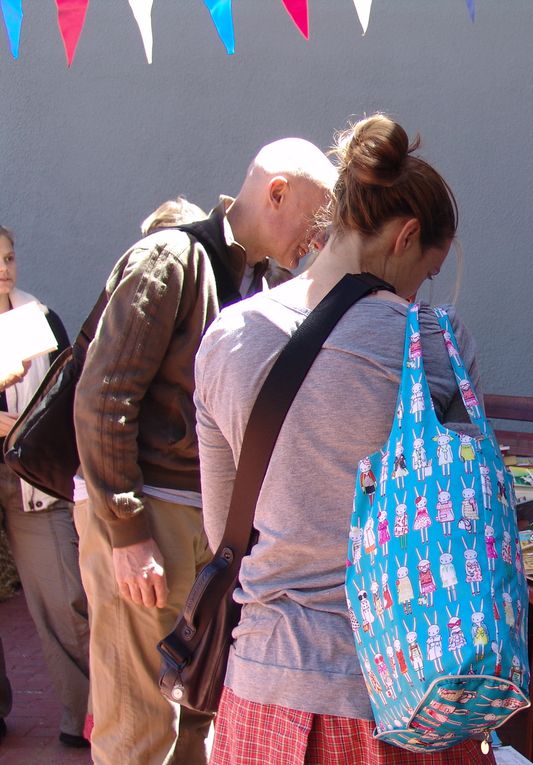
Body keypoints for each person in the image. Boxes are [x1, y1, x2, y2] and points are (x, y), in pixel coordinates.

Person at [195, 114, 494, 764]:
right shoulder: (436, 343)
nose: (420, 290)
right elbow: (458, 531)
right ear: (406, 235)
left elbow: (227, 534)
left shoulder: (225, 338)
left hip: (260, 691)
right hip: (401, 697)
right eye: (427, 269)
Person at [73, 139, 337, 765]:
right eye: (317, 217)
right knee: (140, 724)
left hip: (202, 525)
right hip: (151, 517)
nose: (319, 237)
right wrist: (127, 531)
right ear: (277, 193)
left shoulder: (258, 280)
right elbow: (103, 397)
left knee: (196, 711)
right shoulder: (170, 258)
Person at [0, 225, 91, 748]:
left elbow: (62, 395)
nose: (5, 268)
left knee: (63, 596)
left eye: (10, 257)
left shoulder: (39, 317)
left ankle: (83, 718)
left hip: (29, 480)